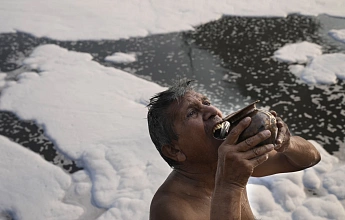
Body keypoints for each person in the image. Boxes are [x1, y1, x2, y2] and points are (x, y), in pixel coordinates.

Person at [147, 80, 321, 220]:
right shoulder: (170, 208)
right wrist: (230, 185)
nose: (212, 111)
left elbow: (311, 158)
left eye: (207, 102)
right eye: (192, 113)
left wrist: (286, 144)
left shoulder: (230, 161)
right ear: (174, 150)